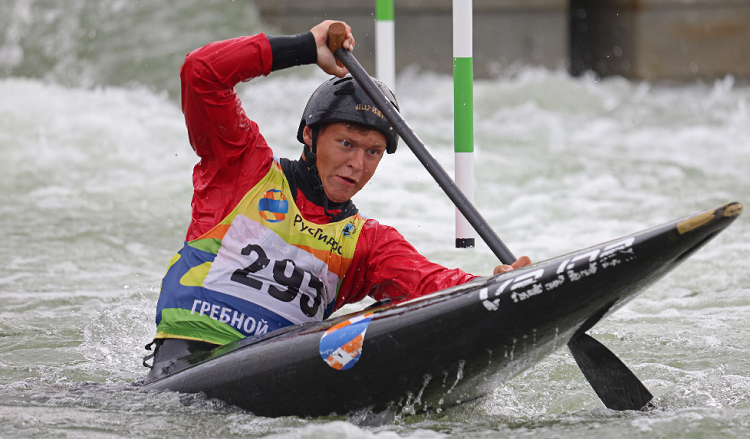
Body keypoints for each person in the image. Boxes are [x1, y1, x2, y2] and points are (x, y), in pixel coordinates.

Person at [144, 20, 530, 378]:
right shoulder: (241, 169)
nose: (357, 165)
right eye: (346, 143)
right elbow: (202, 73)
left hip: (274, 374)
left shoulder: (368, 243)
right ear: (310, 136)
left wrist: (493, 288)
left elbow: (436, 287)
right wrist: (304, 48)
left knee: (396, 310)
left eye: (373, 152)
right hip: (184, 367)